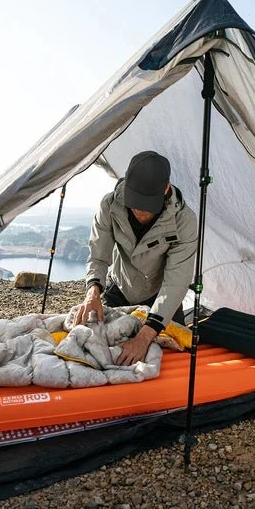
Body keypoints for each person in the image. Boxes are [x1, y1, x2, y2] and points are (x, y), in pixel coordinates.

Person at [74, 150, 198, 366]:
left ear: (166, 189)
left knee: (175, 361)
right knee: (94, 346)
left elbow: (176, 282)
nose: (139, 212)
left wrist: (145, 336)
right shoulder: (109, 206)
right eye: (135, 202)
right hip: (120, 289)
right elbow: (98, 256)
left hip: (160, 298)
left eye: (146, 205)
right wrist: (93, 292)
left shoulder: (184, 221)